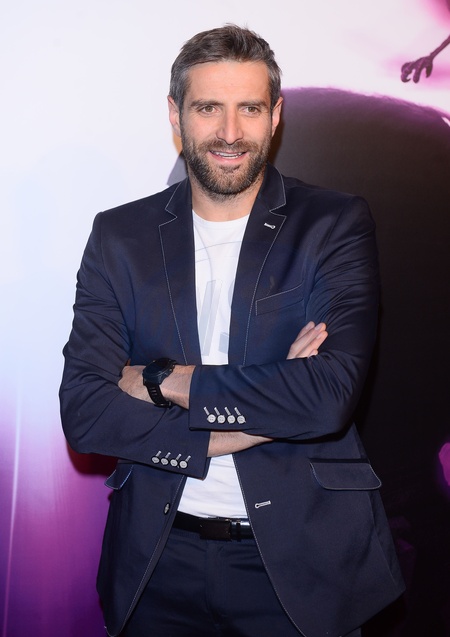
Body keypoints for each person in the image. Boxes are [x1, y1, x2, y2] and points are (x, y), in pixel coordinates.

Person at [60, 24, 405, 637]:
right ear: (175, 114)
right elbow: (86, 413)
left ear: (276, 115)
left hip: (302, 568)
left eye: (249, 108)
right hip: (155, 563)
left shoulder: (333, 224)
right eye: (207, 108)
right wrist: (263, 414)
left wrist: (164, 380)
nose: (229, 132)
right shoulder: (119, 236)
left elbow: (328, 397)